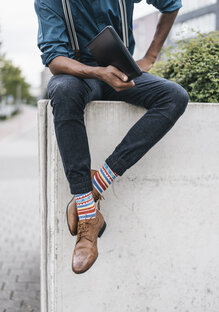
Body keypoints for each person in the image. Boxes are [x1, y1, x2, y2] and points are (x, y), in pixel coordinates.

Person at [34, 0, 189, 274]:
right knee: (61, 90)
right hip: (78, 76)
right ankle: (88, 220)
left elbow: (171, 4)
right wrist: (97, 72)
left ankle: (92, 188)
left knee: (174, 96)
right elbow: (54, 60)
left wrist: (150, 57)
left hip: (122, 74)